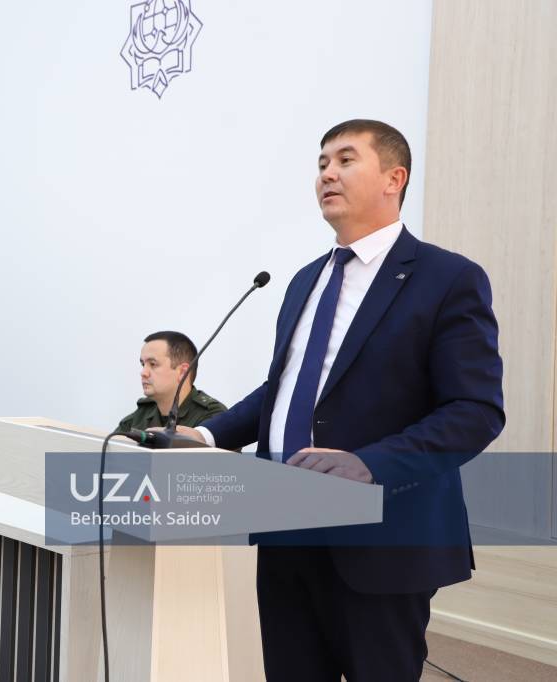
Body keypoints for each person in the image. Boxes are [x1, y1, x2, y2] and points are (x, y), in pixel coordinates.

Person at [180, 120, 504, 681]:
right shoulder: (305, 280)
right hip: (285, 531)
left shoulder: (447, 278)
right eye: (322, 163)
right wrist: (206, 435)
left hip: (381, 535)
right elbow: (285, 388)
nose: (327, 173)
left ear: (394, 179)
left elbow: (475, 411)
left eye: (346, 160)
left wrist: (369, 465)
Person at [116, 331, 226, 432]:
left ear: (182, 372)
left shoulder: (212, 416)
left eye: (153, 364)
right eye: (143, 364)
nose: (143, 372)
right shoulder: (141, 415)